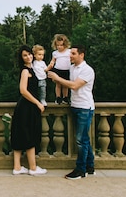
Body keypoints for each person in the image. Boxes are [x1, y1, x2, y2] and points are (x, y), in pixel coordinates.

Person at [48, 45, 95, 180]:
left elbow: (74, 85)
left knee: (80, 140)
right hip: (75, 106)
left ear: (82, 55)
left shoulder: (87, 70)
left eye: (73, 53)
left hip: (85, 108)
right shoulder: (73, 68)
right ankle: (90, 167)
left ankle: (80, 170)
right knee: (84, 139)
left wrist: (57, 78)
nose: (70, 56)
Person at [11, 45, 47, 176]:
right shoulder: (25, 71)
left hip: (26, 107)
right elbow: (23, 90)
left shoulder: (33, 69)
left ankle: (17, 167)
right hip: (27, 107)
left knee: (20, 135)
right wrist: (38, 103)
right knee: (29, 135)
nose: (29, 57)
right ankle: (32, 167)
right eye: (25, 55)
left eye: (30, 54)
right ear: (21, 58)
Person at [46, 34, 71, 104]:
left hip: (66, 70)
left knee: (65, 84)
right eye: (58, 45)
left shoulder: (69, 51)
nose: (59, 47)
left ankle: (65, 97)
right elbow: (53, 60)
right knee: (58, 84)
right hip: (58, 70)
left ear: (65, 44)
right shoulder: (55, 53)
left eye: (61, 45)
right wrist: (51, 65)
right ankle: (58, 97)